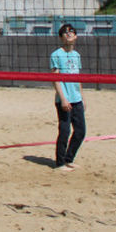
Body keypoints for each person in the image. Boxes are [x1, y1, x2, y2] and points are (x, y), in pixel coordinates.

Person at [51, 22, 86, 171]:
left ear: (76, 36)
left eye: (71, 31)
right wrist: (63, 98)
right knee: (65, 131)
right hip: (63, 100)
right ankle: (59, 163)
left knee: (81, 131)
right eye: (65, 32)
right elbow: (55, 79)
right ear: (60, 37)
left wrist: (83, 97)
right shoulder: (56, 54)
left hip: (76, 99)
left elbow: (78, 79)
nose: (68, 33)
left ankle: (69, 159)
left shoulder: (76, 55)